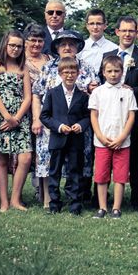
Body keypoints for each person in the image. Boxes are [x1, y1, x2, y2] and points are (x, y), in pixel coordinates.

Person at [32, 31, 99, 209]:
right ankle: (49, 199)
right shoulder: (48, 67)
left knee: (77, 165)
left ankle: (77, 198)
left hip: (78, 128)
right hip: (53, 126)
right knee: (51, 164)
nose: (67, 48)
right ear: (56, 47)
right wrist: (36, 118)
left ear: (77, 47)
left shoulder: (87, 67)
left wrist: (92, 90)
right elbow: (37, 94)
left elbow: (95, 95)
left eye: (71, 44)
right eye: (63, 44)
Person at [102, 16, 138, 209]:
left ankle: (137, 198)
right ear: (117, 32)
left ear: (136, 33)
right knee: (105, 158)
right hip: (109, 117)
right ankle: (101, 198)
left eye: (131, 31)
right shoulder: (107, 55)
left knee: (135, 158)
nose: (127, 34)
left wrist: (131, 89)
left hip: (135, 115)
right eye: (123, 30)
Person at [0, 30, 32, 212]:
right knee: (2, 159)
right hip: (0, 116)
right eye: (12, 45)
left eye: (19, 46)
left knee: (26, 157)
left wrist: (17, 118)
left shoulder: (24, 68)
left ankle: (15, 199)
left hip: (20, 117)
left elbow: (27, 97)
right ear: (5, 45)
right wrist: (7, 117)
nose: (15, 49)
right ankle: (4, 202)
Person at [40, 57, 90, 215]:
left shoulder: (83, 96)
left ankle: (75, 203)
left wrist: (81, 125)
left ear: (78, 73)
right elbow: (45, 116)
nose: (69, 75)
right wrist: (59, 126)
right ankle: (54, 203)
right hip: (58, 139)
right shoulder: (52, 93)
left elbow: (88, 116)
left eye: (73, 72)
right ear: (60, 73)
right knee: (54, 172)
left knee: (75, 171)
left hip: (76, 140)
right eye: (66, 72)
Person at [89, 56, 138, 219]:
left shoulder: (127, 92)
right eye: (109, 71)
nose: (113, 74)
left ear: (122, 72)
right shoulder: (97, 92)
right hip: (102, 142)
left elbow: (131, 116)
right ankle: (102, 207)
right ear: (103, 72)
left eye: (117, 71)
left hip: (122, 142)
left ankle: (116, 208)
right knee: (102, 175)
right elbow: (94, 116)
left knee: (120, 176)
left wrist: (122, 136)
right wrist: (100, 136)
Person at [23, 23, 51, 204]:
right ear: (25, 42)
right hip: (22, 112)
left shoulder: (49, 60)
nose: (36, 44)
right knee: (24, 154)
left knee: (42, 152)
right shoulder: (20, 60)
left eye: (40, 41)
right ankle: (17, 192)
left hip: (44, 112)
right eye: (32, 40)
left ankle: (40, 191)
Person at [78, 8, 118, 75]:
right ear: (87, 26)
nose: (95, 27)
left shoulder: (114, 48)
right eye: (92, 24)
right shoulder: (80, 48)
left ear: (105, 26)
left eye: (98, 23)